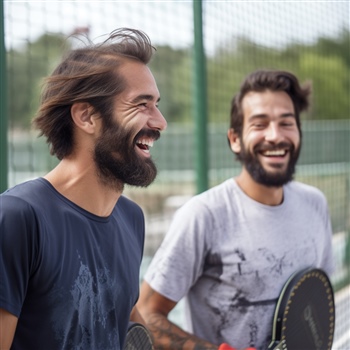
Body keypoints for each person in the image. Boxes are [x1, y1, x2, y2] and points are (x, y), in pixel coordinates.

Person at [137, 69, 334, 350]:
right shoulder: (203, 215)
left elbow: (319, 301)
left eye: (286, 123)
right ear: (235, 139)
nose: (275, 136)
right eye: (260, 124)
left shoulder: (315, 203)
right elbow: (146, 314)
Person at [0, 28, 167, 350]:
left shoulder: (131, 218)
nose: (160, 121)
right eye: (142, 104)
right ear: (87, 116)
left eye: (156, 104)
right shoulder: (15, 218)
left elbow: (118, 317)